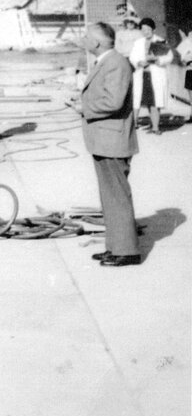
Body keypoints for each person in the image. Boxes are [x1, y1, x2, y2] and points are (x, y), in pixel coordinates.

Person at [81, 23, 141, 267]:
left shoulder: (115, 62)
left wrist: (84, 108)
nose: (83, 40)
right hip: (105, 139)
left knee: (116, 196)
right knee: (110, 197)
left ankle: (127, 251)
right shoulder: (106, 61)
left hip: (112, 140)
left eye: (87, 37)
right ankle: (116, 247)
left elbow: (113, 101)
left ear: (96, 43)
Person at [128, 17, 173, 135]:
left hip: (155, 74)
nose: (145, 32)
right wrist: (138, 62)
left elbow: (169, 57)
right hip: (141, 74)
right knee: (137, 100)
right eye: (143, 29)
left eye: (148, 29)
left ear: (153, 29)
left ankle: (155, 127)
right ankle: (134, 124)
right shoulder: (138, 43)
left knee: (154, 101)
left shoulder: (161, 41)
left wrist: (158, 59)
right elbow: (132, 57)